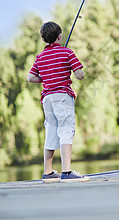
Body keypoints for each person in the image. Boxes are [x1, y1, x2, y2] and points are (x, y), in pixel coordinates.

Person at [27, 21, 89, 183]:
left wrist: (48, 78)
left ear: (43, 39)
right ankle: (67, 172)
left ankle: (48, 172)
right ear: (60, 36)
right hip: (62, 96)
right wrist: (71, 71)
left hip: (47, 98)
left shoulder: (40, 57)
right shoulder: (67, 53)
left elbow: (31, 78)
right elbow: (80, 75)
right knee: (66, 130)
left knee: (51, 131)